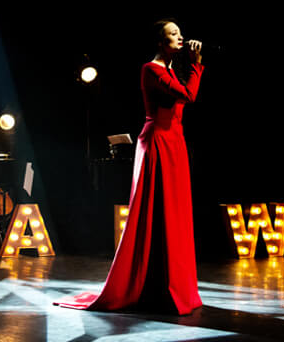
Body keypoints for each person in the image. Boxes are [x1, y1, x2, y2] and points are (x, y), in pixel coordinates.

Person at [55, 19, 204, 315]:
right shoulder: (151, 69)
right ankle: (146, 286)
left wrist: (189, 68)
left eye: (179, 32)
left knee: (174, 215)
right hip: (158, 144)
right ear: (161, 43)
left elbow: (181, 100)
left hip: (175, 144)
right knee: (154, 214)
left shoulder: (172, 70)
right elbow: (188, 95)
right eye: (173, 34)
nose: (181, 37)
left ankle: (168, 286)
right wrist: (197, 65)